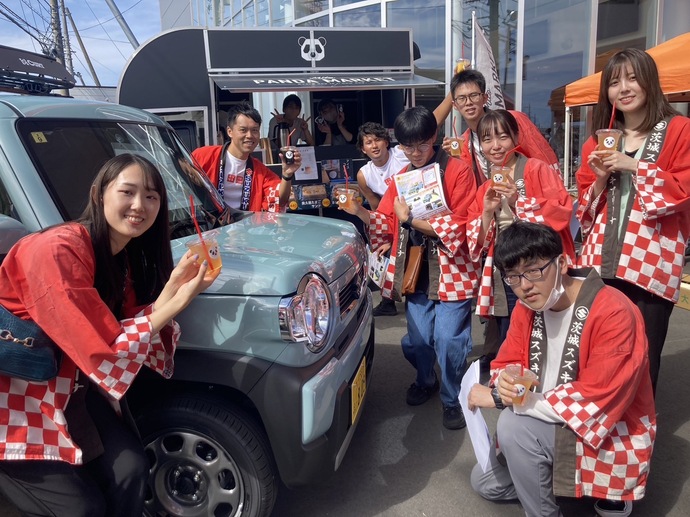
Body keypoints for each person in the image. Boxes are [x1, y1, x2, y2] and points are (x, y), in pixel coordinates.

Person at [0, 154, 220, 516]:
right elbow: (103, 348)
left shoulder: (119, 256)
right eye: (127, 192)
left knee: (131, 471)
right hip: (19, 405)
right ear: (98, 194)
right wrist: (178, 300)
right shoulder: (57, 251)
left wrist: (174, 286)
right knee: (82, 509)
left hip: (70, 393)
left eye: (151, 196)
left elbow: (122, 326)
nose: (139, 206)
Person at [468, 221, 656, 517]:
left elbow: (596, 400)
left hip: (606, 429)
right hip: (548, 418)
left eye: (534, 270)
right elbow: (507, 363)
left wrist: (502, 398)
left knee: (513, 427)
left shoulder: (614, 311)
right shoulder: (527, 308)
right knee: (485, 481)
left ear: (564, 262)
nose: (525, 285)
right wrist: (505, 382)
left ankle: (556, 505)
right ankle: (555, 484)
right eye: (513, 276)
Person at [341, 106, 480, 430]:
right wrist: (359, 211)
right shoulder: (401, 179)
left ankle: (451, 397)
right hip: (417, 267)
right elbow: (388, 218)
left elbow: (462, 225)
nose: (415, 152)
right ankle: (425, 378)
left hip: (453, 267)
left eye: (421, 144)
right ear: (399, 145)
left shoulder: (458, 170)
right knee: (418, 339)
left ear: (433, 137)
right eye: (408, 146)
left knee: (448, 339)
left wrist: (412, 220)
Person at [576, 47, 690, 394]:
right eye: (613, 82)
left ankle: (636, 440)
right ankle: (597, 429)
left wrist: (634, 166)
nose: (623, 88)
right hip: (600, 261)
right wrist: (597, 178)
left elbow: (684, 187)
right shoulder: (600, 140)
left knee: (643, 353)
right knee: (598, 349)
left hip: (650, 264)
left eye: (632, 78)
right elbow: (584, 206)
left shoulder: (679, 129)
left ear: (649, 81)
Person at [466, 110, 575, 366]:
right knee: (513, 325)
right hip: (507, 269)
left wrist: (519, 201)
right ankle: (517, 375)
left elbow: (561, 212)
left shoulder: (536, 169)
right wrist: (486, 211)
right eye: (487, 139)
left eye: (502, 137)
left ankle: (545, 376)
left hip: (540, 266)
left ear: (515, 136)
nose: (495, 146)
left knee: (546, 323)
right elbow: (476, 241)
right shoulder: (485, 185)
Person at [443, 69, 560, 182]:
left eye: (474, 95)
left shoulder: (512, 120)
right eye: (462, 98)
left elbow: (542, 156)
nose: (468, 102)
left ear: (484, 98)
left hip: (528, 195)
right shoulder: (464, 142)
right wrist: (455, 159)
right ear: (455, 105)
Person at [192, 102, 301, 212]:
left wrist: (287, 175)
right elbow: (182, 187)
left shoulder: (260, 171)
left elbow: (279, 200)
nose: (249, 136)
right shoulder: (203, 156)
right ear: (229, 131)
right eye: (243, 130)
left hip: (245, 226)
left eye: (254, 130)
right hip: (210, 226)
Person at [355, 122, 411, 317]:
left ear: (386, 142)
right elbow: (376, 208)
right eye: (368, 142)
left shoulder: (402, 153)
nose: (374, 145)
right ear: (363, 149)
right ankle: (388, 301)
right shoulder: (364, 174)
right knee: (379, 251)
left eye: (378, 139)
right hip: (389, 215)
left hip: (414, 208)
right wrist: (385, 238)